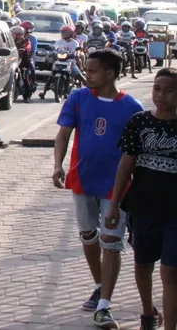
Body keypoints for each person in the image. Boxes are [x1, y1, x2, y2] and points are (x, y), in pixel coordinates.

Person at [53, 48, 144, 329]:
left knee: (111, 242)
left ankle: (104, 305)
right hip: (82, 181)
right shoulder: (78, 98)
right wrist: (58, 165)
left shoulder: (132, 108)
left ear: (110, 73)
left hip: (116, 187)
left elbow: (137, 153)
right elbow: (64, 133)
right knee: (88, 236)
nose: (87, 75)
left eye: (92, 71)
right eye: (86, 70)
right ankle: (99, 285)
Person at [109, 68, 177, 330]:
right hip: (143, 208)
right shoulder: (139, 122)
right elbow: (126, 163)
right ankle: (148, 313)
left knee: (170, 272)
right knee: (143, 264)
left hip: (174, 214)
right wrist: (114, 204)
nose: (161, 95)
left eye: (169, 90)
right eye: (157, 88)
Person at [40, 25, 84, 100]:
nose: (64, 34)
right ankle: (43, 93)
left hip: (70, 62)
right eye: (63, 32)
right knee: (51, 76)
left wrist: (75, 55)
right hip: (59, 61)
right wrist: (52, 52)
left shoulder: (74, 43)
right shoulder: (60, 41)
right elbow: (54, 47)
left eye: (66, 32)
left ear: (71, 33)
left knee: (78, 74)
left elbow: (76, 52)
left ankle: (87, 87)